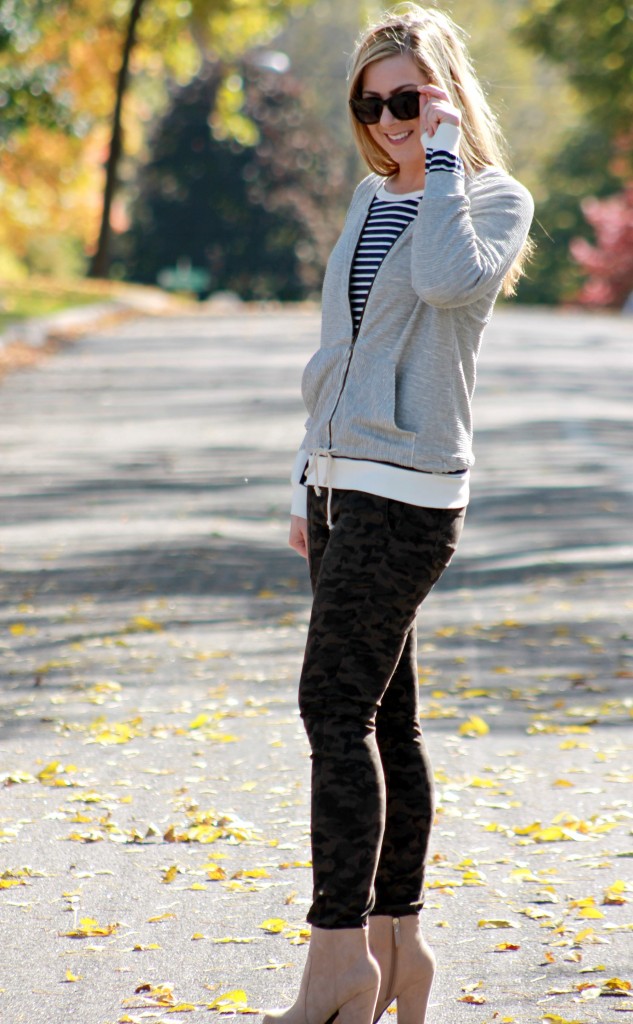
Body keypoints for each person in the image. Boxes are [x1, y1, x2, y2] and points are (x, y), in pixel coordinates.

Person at [263, 5, 534, 1023]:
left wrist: (447, 157)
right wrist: (304, 478)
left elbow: (444, 280)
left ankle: (338, 967)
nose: (387, 121)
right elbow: (335, 356)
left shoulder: (493, 201)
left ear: (446, 96)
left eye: (408, 99)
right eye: (372, 103)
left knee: (333, 710)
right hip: (340, 487)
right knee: (389, 718)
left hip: (411, 492)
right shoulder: (368, 201)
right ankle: (399, 951)